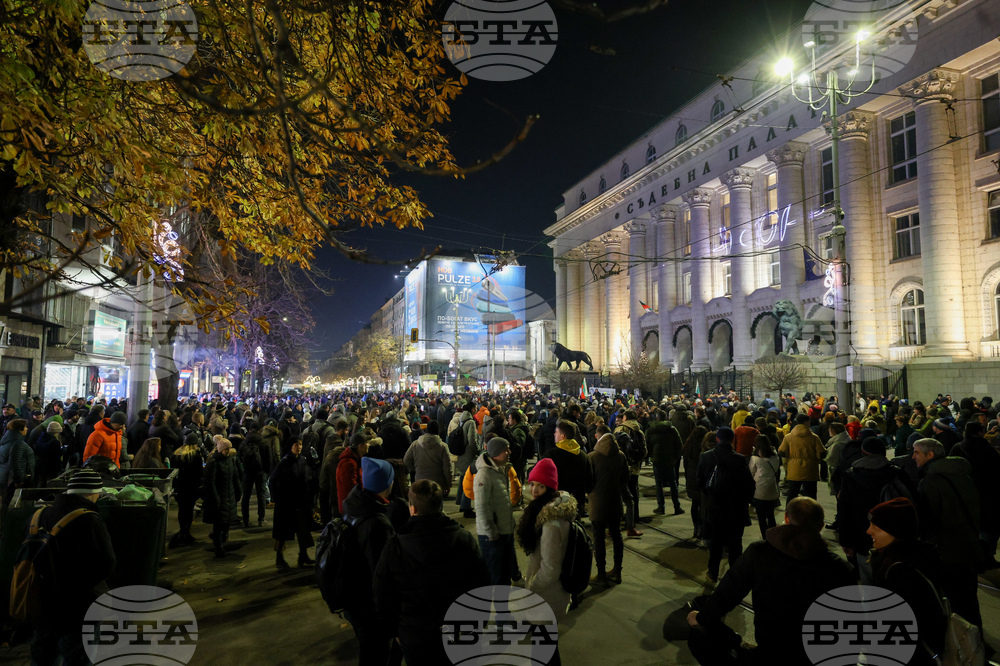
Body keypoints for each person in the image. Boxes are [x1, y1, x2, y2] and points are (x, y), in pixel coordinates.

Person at [686, 497, 855, 666]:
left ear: (787, 518)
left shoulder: (759, 552)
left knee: (700, 632)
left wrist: (701, 618)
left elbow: (727, 594)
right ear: (821, 526)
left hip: (770, 652)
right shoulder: (841, 569)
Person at [373, 480, 490, 666]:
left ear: (412, 508)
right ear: (441, 506)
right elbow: (481, 586)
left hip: (415, 635)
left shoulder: (394, 547)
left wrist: (395, 631)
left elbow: (382, 594)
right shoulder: (463, 540)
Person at [28, 470, 116, 666]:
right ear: (91, 493)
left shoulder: (39, 515)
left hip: (41, 601)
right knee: (79, 656)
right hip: (79, 606)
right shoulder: (89, 519)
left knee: (44, 655)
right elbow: (107, 562)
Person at [911, 438, 984, 628]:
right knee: (969, 601)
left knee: (950, 605)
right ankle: (976, 645)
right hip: (969, 547)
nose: (913, 456)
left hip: (945, 553)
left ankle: (959, 649)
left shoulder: (931, 481)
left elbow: (928, 521)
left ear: (930, 455)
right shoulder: (964, 476)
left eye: (916, 452)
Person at [866, 498, 946, 666]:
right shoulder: (921, 555)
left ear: (896, 533)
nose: (869, 531)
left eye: (877, 528)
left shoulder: (899, 571)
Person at [516, 458, 576, 666]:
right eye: (532, 483)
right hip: (549, 594)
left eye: (540, 486)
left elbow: (550, 568)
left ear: (550, 487)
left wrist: (532, 587)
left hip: (548, 595)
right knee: (546, 648)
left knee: (543, 651)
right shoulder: (546, 510)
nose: (533, 489)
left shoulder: (550, 522)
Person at [341, 457, 397, 666]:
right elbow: (381, 575)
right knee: (376, 655)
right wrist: (390, 618)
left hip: (353, 597)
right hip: (369, 608)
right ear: (387, 484)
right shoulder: (377, 524)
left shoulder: (354, 505)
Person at [836, 436, 910, 578]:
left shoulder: (851, 475)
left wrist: (845, 540)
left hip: (862, 536)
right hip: (893, 537)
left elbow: (844, 510)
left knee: (868, 580)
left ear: (863, 452)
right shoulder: (897, 473)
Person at [696, 427, 755, 582]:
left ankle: (713, 572)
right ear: (732, 440)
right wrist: (748, 501)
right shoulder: (739, 459)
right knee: (736, 543)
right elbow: (749, 484)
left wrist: (710, 497)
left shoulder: (706, 457)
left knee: (716, 542)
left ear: (717, 439)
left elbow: (700, 482)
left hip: (716, 507)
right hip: (736, 508)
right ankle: (734, 575)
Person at [951, 421, 1000, 569]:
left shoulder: (957, 448)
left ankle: (972, 558)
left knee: (969, 526)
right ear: (980, 432)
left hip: (964, 493)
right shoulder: (989, 450)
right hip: (987, 494)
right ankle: (987, 556)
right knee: (989, 528)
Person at [588, 424, 628, 585]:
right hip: (615, 501)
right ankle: (617, 571)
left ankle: (601, 574)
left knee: (598, 538)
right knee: (616, 535)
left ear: (598, 437)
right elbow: (625, 479)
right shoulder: (621, 455)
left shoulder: (592, 457)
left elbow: (588, 480)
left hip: (597, 503)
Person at [474, 436, 517, 585]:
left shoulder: (501, 470)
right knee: (495, 576)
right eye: (506, 450)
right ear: (496, 453)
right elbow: (481, 506)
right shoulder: (484, 474)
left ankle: (503, 608)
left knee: (505, 575)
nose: (509, 452)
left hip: (505, 531)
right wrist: (491, 532)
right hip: (492, 537)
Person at [269, 436, 315, 568]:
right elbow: (272, 481)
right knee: (283, 532)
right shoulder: (284, 462)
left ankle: (303, 555)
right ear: (290, 446)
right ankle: (279, 558)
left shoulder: (302, 460)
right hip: (286, 503)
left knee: (303, 530)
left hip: (300, 502)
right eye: (296, 444)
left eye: (300, 444)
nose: (299, 447)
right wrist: (278, 498)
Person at [202, 435, 242, 558]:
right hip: (220, 496)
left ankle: (222, 539)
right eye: (226, 449)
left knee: (226, 521)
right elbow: (210, 482)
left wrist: (238, 490)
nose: (228, 451)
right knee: (219, 522)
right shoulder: (214, 463)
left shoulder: (230, 460)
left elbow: (235, 476)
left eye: (229, 449)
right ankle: (218, 546)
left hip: (229, 494)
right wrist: (216, 498)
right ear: (220, 449)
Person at [777, 413, 826, 502]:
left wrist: (790, 458)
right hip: (810, 469)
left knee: (792, 494)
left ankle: (789, 513)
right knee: (811, 495)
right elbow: (821, 453)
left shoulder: (788, 437)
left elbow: (782, 451)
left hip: (794, 469)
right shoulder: (814, 437)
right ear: (807, 422)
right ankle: (811, 513)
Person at [169, 432, 204, 547]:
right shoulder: (195, 456)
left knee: (182, 509)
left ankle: (182, 531)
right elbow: (199, 473)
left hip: (179, 487)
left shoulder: (176, 455)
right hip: (191, 488)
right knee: (188, 510)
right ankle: (186, 532)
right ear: (195, 444)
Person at [647, 410, 684, 516]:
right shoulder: (672, 429)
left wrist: (651, 456)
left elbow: (647, 445)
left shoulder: (650, 430)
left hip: (657, 460)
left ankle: (661, 507)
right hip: (669, 459)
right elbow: (679, 444)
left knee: (659, 484)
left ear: (656, 418)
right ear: (666, 417)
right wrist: (675, 457)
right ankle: (677, 506)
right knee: (673, 483)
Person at [402, 421, 452, 495]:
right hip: (437, 482)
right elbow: (447, 467)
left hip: (420, 479)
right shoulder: (443, 446)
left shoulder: (415, 444)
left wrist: (416, 468)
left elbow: (406, 461)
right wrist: (448, 484)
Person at [748, 435, 780, 540]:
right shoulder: (775, 456)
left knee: (761, 517)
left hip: (759, 490)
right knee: (771, 515)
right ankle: (773, 538)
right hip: (772, 488)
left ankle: (765, 538)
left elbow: (751, 473)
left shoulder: (755, 458)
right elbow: (775, 470)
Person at [682, 425, 709, 539]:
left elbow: (685, 463)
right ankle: (702, 528)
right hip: (702, 476)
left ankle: (695, 527)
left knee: (695, 503)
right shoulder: (705, 448)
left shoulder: (688, 445)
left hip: (691, 476)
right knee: (703, 505)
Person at [0, 419, 35, 506]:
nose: (27, 429)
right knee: (11, 503)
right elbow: (16, 462)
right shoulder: (17, 442)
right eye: (25, 427)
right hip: (13, 479)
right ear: (20, 429)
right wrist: (18, 480)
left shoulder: (7, 439)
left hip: (5, 475)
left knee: (6, 500)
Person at [239, 427, 267, 528]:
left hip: (247, 472)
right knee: (261, 495)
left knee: (246, 496)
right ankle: (261, 519)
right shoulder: (263, 443)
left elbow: (239, 458)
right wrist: (266, 471)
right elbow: (268, 459)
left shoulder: (244, 444)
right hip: (260, 472)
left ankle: (245, 520)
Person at [336, 433, 369, 515]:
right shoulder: (349, 463)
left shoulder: (356, 459)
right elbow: (351, 488)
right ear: (360, 446)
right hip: (350, 507)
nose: (369, 445)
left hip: (352, 504)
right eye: (367, 443)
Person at [33, 420, 64, 488]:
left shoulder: (41, 438)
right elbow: (56, 455)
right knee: (50, 484)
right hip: (51, 466)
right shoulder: (54, 442)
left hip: (41, 465)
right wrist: (63, 450)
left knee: (42, 482)